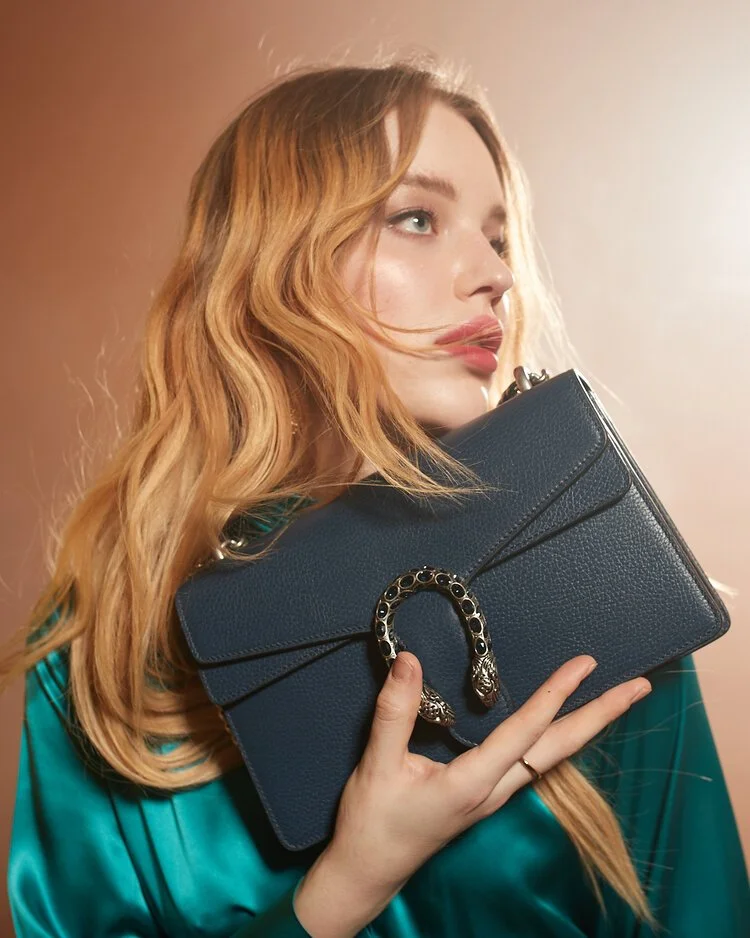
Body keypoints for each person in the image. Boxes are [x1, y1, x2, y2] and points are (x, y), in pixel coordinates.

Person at [3, 55, 749, 938]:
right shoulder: (108, 654)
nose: (494, 275)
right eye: (418, 218)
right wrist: (344, 889)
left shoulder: (601, 584)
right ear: (273, 265)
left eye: (500, 237)